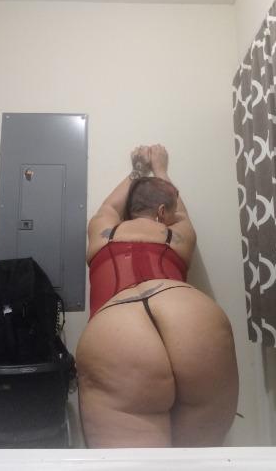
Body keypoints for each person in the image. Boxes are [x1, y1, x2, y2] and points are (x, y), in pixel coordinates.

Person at [76, 145, 239, 448]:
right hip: (189, 314)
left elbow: (108, 207)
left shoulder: (102, 232)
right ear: (163, 212)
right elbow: (181, 212)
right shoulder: (178, 236)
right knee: (199, 462)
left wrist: (137, 170)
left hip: (116, 328)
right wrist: (161, 169)